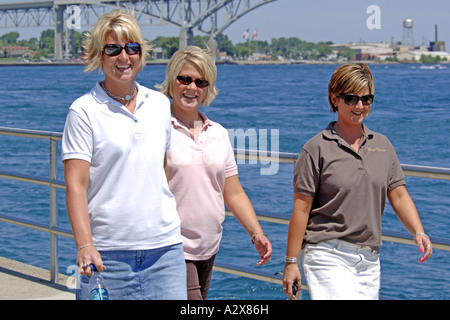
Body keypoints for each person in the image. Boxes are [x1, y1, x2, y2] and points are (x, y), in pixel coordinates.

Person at [61, 10, 186, 300]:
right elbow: (75, 185)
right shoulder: (83, 111)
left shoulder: (158, 104)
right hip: (107, 255)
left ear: (141, 53)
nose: (123, 57)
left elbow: (162, 169)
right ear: (99, 55)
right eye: (113, 49)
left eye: (131, 48)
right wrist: (84, 245)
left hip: (165, 253)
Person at [282, 63, 433, 300]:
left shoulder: (383, 145)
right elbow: (301, 209)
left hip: (369, 259)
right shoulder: (315, 149)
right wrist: (291, 262)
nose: (359, 106)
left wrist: (418, 231)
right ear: (335, 99)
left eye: (366, 99)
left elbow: (398, 194)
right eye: (351, 98)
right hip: (327, 253)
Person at [157, 46, 272, 300]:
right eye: (184, 79)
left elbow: (233, 192)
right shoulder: (158, 128)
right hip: (172, 247)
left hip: (209, 247)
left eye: (200, 82)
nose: (191, 87)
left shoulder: (218, 133)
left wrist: (256, 234)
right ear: (172, 80)